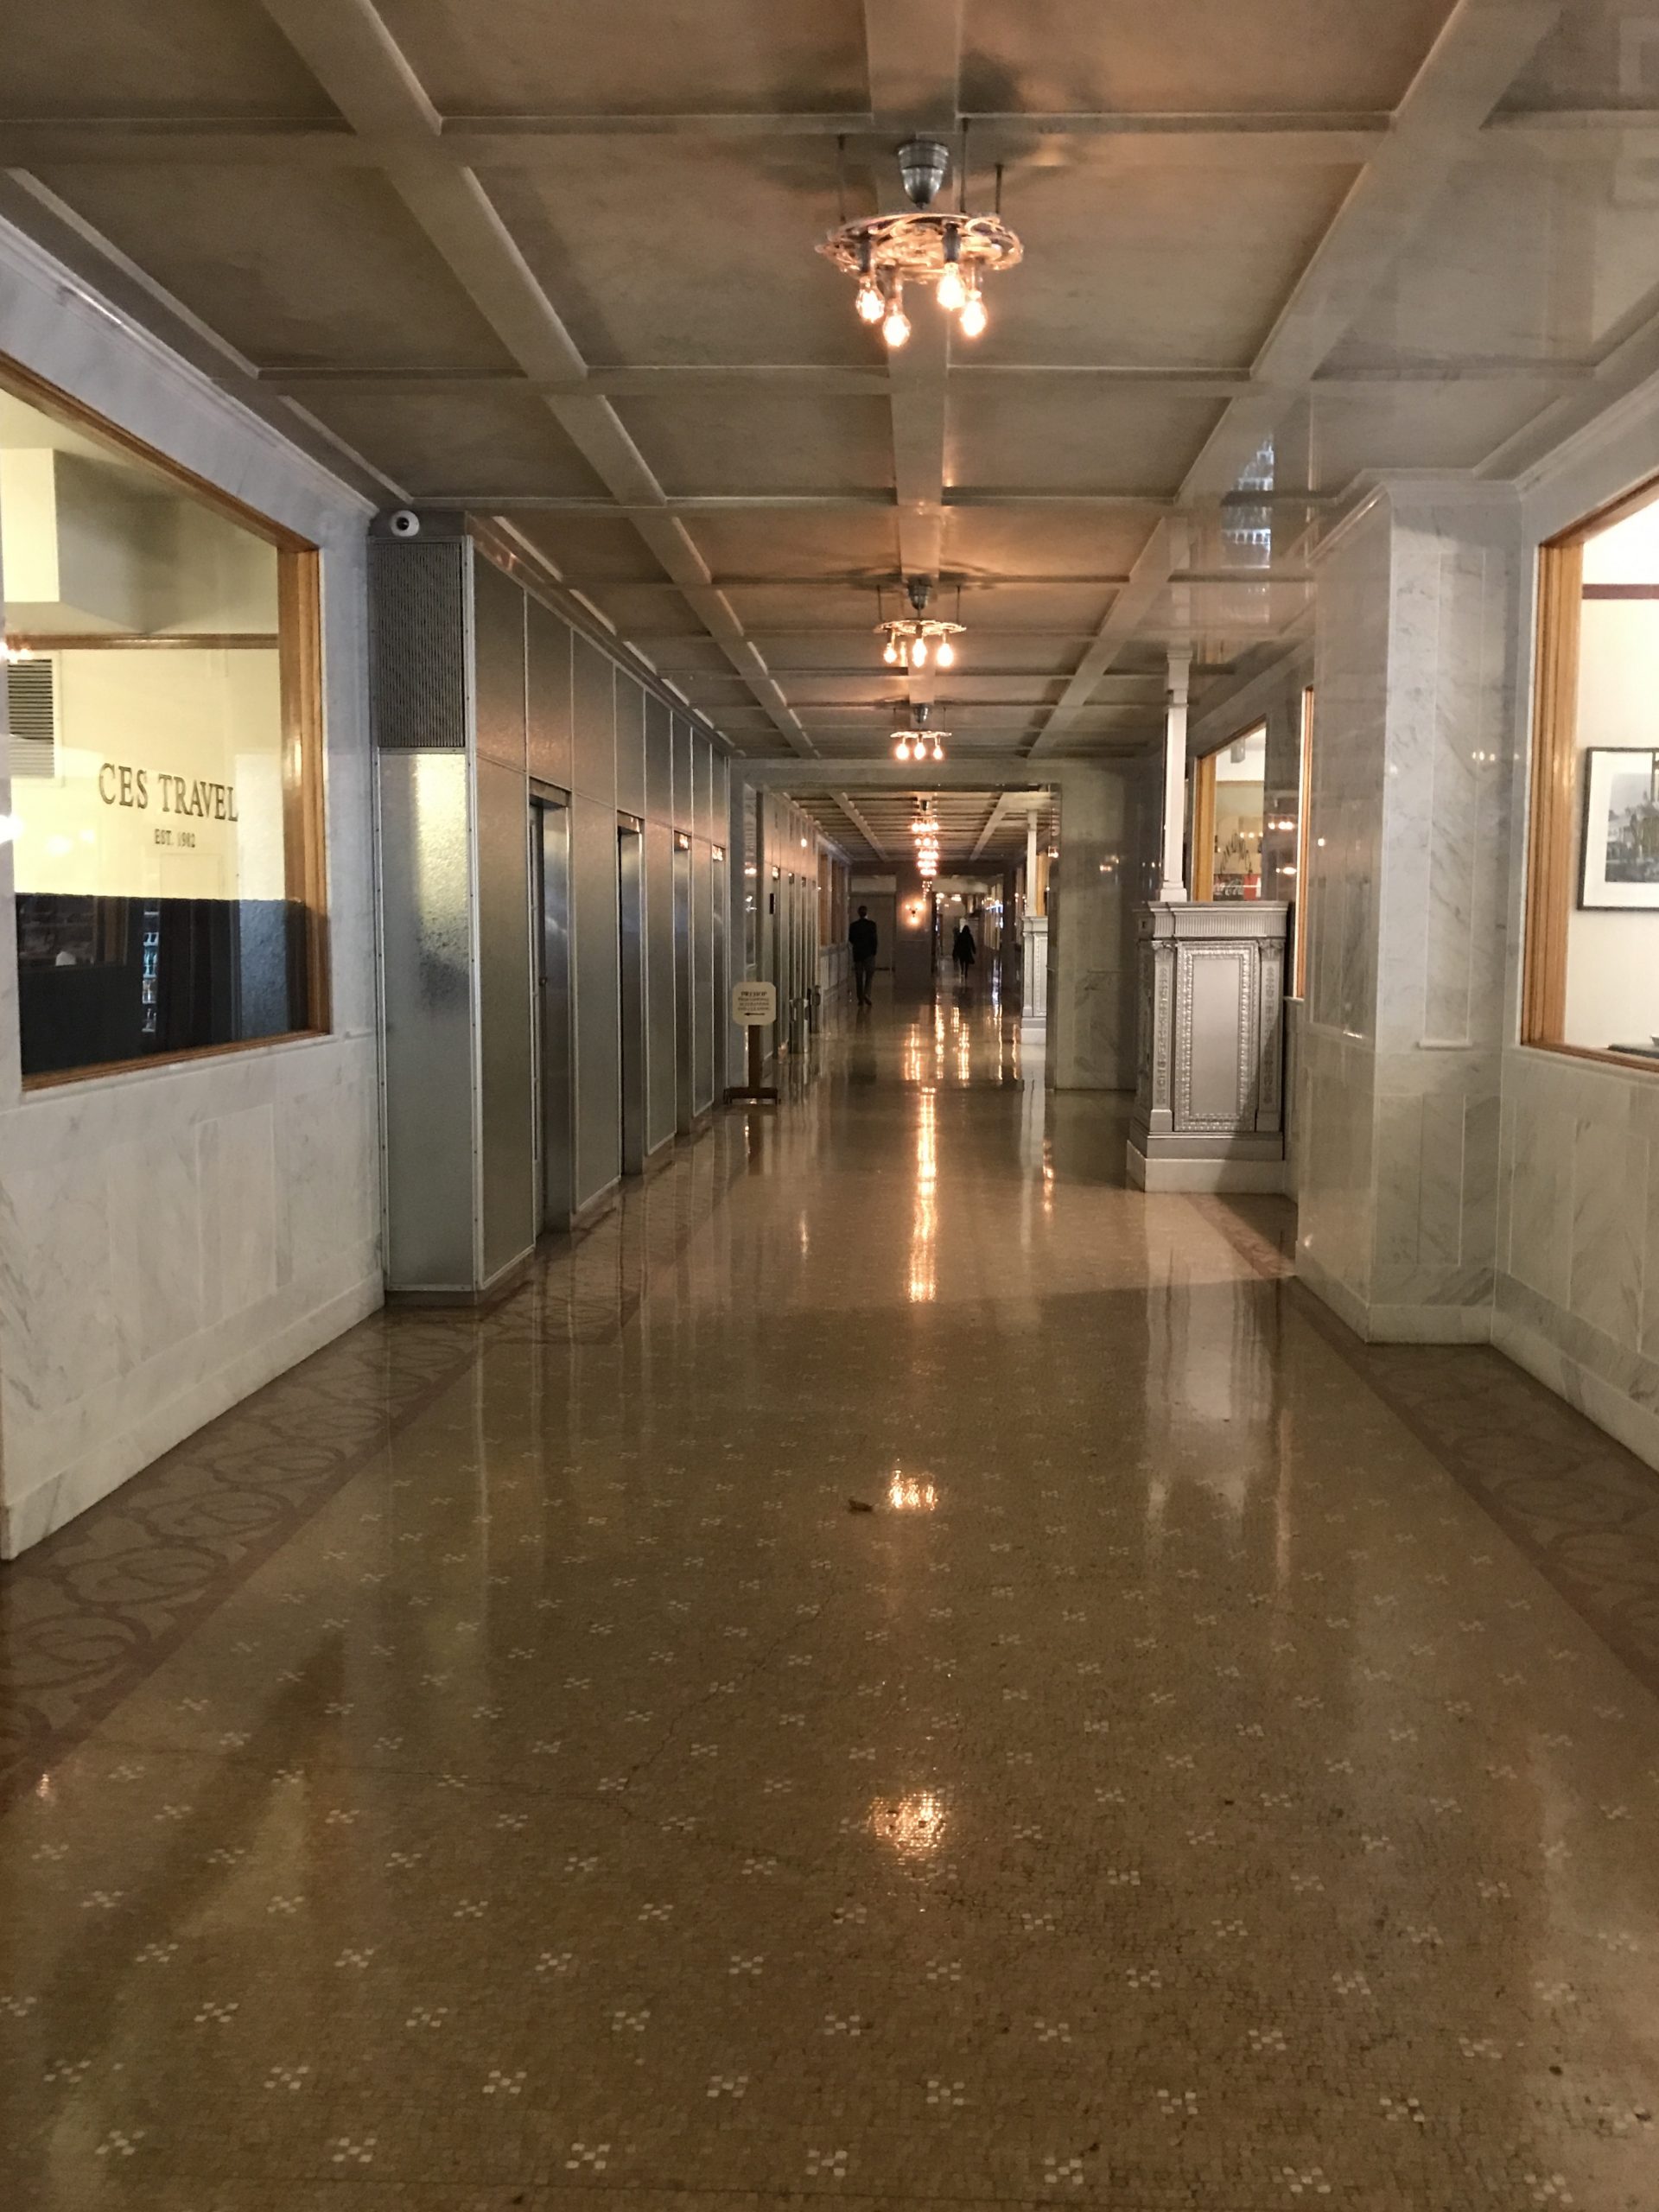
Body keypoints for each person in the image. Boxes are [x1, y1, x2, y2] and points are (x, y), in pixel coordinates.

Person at [849, 904, 879, 1007]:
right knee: (869, 975)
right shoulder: (872, 925)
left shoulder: (854, 926)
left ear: (858, 913)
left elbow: (851, 939)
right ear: (866, 913)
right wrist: (874, 951)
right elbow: (874, 939)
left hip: (857, 954)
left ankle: (860, 998)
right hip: (869, 953)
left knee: (859, 977)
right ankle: (867, 993)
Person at [952, 920, 977, 986]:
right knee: (967, 962)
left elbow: (957, 944)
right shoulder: (969, 936)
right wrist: (974, 950)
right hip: (967, 951)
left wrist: (955, 951)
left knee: (962, 961)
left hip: (961, 951)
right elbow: (972, 944)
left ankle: (962, 970)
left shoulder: (961, 935)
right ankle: (965, 971)